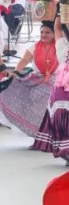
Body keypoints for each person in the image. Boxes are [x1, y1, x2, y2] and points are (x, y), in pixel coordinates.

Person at [0, 20, 60, 137]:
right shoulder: (35, 46)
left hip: (55, 80)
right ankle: (40, 134)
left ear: (54, 34)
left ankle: (52, 134)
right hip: (37, 79)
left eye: (47, 32)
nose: (44, 35)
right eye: (42, 32)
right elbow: (24, 60)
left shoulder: (60, 45)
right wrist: (15, 72)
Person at [32, 15, 69, 162]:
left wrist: (60, 13)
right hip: (62, 91)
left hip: (60, 92)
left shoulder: (61, 45)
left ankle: (65, 152)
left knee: (62, 122)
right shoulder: (62, 45)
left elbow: (57, 28)